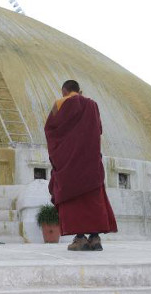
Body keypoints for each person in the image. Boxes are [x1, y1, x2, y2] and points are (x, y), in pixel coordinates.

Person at [45, 80, 117, 251]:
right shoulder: (93, 105)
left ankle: (80, 238)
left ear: (64, 91)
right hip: (91, 162)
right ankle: (94, 238)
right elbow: (98, 129)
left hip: (69, 163)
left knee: (74, 200)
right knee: (93, 199)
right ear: (79, 90)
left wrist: (60, 153)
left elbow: (50, 129)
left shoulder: (59, 104)